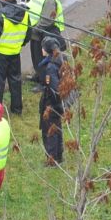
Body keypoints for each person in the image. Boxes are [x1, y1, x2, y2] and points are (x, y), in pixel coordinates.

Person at [0, 0, 30, 116]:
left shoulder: (1, 15)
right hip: (15, 53)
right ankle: (17, 110)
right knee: (15, 81)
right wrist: (19, 44)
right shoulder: (25, 13)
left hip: (0, 54)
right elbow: (28, 34)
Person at [33, 34, 66, 165]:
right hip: (59, 105)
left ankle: (52, 159)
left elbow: (55, 89)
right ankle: (58, 156)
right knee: (57, 129)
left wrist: (50, 105)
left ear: (46, 50)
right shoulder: (61, 60)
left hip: (52, 105)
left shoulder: (51, 67)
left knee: (50, 130)